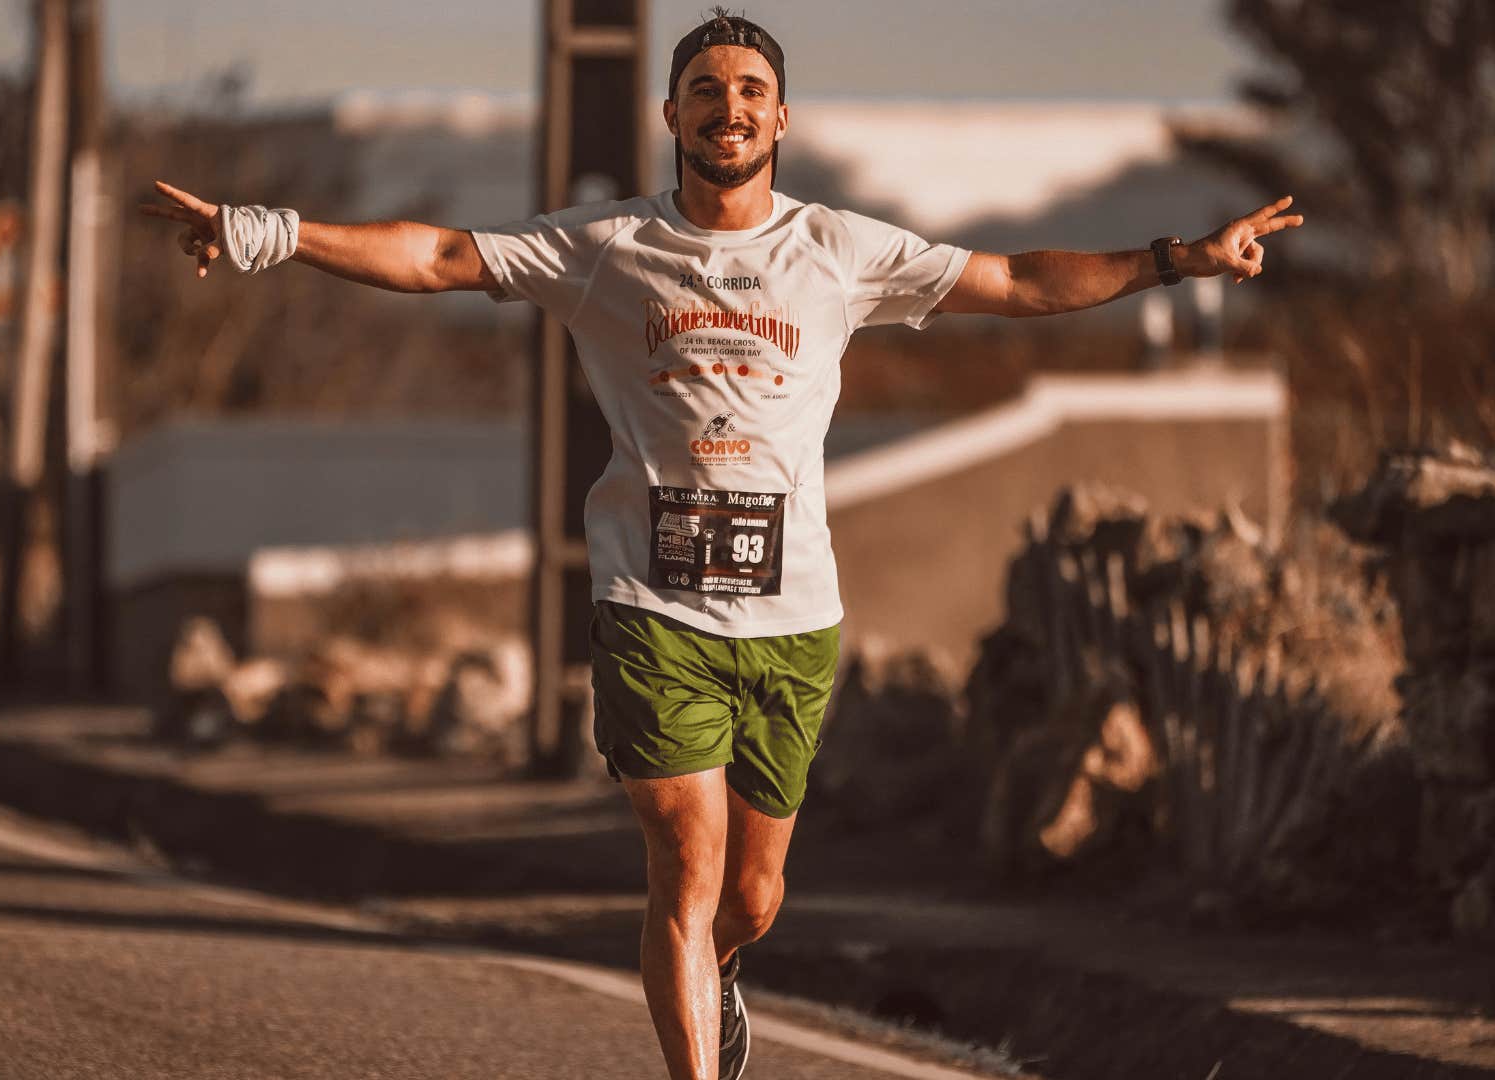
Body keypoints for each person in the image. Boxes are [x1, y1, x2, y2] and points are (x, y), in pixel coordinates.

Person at [142, 12, 1304, 1078]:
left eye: (750, 88)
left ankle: (725, 968)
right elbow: (442, 255)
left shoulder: (840, 250)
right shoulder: (608, 246)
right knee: (685, 870)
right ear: (673, 117)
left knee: (752, 893)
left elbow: (1014, 279)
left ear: (781, 118)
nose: (729, 106)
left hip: (795, 617)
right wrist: (274, 231)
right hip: (654, 608)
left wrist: (1175, 260)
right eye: (705, 89)